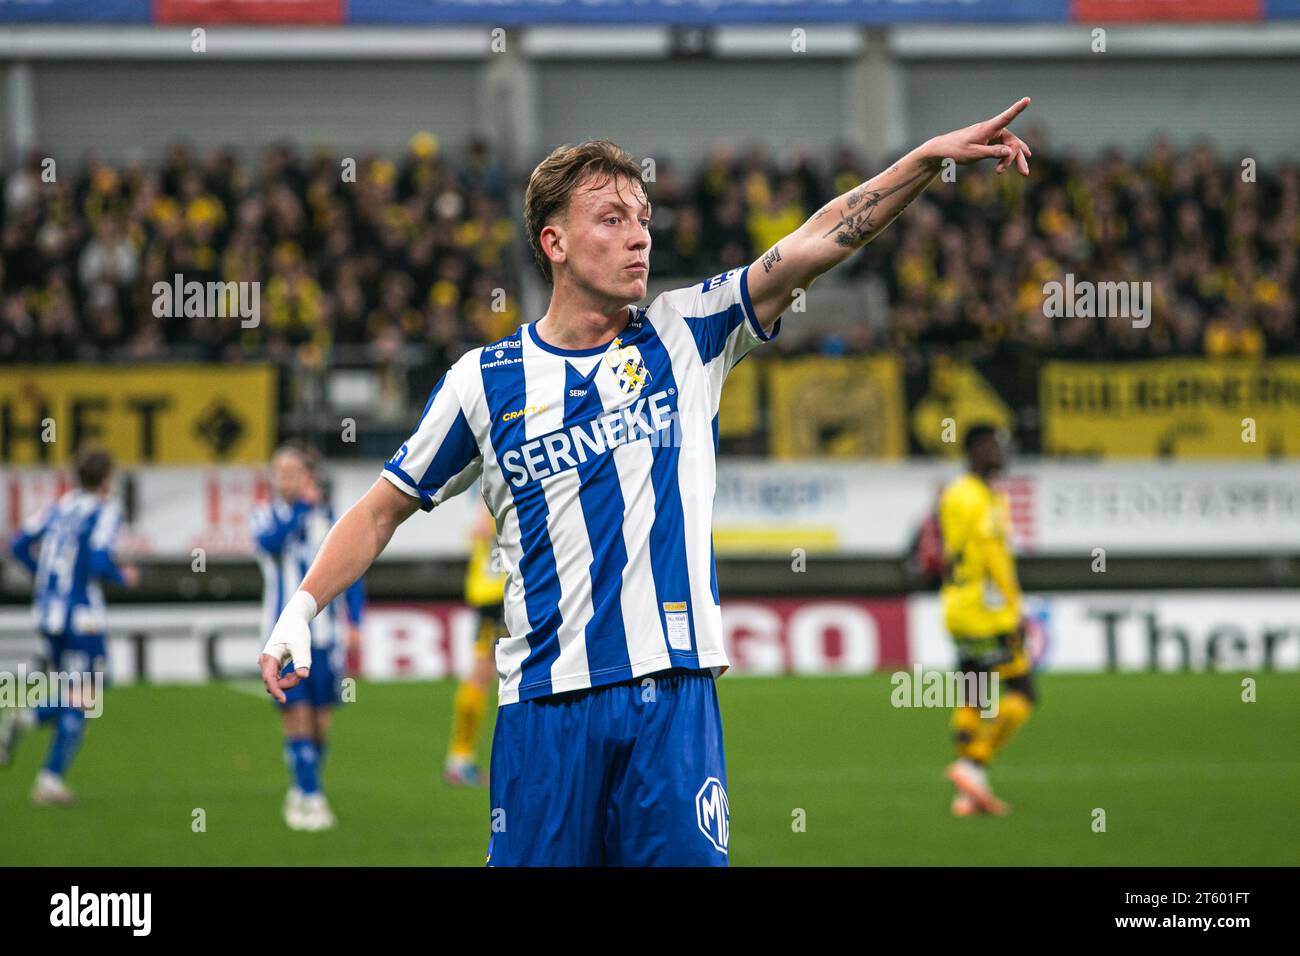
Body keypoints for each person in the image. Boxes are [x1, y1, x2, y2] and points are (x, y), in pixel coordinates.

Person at [260, 101, 1033, 864]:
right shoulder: (483, 383)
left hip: (673, 705)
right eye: (611, 219)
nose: (638, 237)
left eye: (643, 218)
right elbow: (382, 508)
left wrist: (924, 163)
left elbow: (815, 242)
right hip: (544, 709)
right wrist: (301, 608)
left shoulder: (688, 332)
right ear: (553, 241)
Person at [0, 448, 139, 805]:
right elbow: (96, 559)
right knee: (84, 696)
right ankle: (48, 780)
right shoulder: (104, 511)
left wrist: (45, 578)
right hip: (82, 619)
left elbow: (17, 545)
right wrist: (122, 575)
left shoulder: (60, 506)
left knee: (75, 689)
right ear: (107, 478)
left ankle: (26, 718)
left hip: (47, 612)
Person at [252, 441, 366, 831]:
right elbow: (270, 544)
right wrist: (302, 507)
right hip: (282, 639)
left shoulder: (329, 519)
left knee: (320, 724)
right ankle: (313, 797)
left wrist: (355, 622)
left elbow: (352, 569)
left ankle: (302, 788)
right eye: (278, 473)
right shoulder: (266, 516)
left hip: (326, 636)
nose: (282, 480)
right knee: (296, 717)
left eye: (291, 473)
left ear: (308, 477)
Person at [939, 424, 1035, 816]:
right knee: (1023, 693)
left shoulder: (954, 493)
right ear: (977, 450)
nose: (1002, 452)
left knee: (973, 694)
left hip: (958, 608)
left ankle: (969, 793)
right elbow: (993, 558)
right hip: (987, 614)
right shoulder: (982, 498)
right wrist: (1015, 610)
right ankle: (972, 763)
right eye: (996, 445)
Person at [443, 498, 508, 787]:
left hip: (501, 597)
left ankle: (463, 758)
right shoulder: (493, 499)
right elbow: (481, 529)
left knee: (495, 674)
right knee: (482, 673)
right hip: (495, 600)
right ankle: (460, 758)